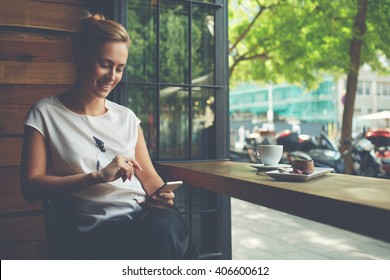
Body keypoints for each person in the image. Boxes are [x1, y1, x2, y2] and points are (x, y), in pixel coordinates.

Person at [21, 14, 190, 260]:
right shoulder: (45, 113)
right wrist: (97, 177)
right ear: (80, 56)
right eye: (105, 64)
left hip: (148, 219)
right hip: (97, 232)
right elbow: (31, 187)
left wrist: (160, 194)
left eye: (119, 68)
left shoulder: (127, 117)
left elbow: (149, 176)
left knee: (163, 229)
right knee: (161, 239)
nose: (112, 76)